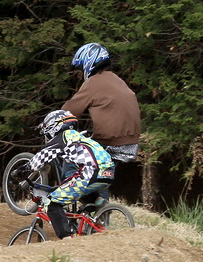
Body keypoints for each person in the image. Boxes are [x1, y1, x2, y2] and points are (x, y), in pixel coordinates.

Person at [12, 109, 115, 240]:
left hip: (90, 172)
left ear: (53, 126)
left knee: (51, 202)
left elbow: (42, 157)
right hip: (107, 172)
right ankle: (99, 202)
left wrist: (23, 170)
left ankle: (67, 239)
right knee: (70, 188)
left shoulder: (62, 137)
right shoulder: (77, 137)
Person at [63, 43, 140, 163]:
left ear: (88, 62)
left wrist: (52, 121)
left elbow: (68, 111)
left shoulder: (94, 82)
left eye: (81, 68)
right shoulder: (118, 81)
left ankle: (70, 181)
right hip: (131, 145)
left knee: (69, 159)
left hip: (110, 143)